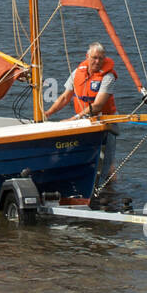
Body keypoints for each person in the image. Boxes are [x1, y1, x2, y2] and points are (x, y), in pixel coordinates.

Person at [44, 42, 120, 207]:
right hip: (84, 122)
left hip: (105, 122)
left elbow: (98, 105)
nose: (97, 62)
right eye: (94, 58)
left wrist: (74, 118)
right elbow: (65, 97)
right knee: (83, 155)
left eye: (100, 58)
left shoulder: (108, 76)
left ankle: (108, 194)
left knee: (107, 163)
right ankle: (79, 184)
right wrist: (48, 113)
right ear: (87, 57)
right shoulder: (78, 72)